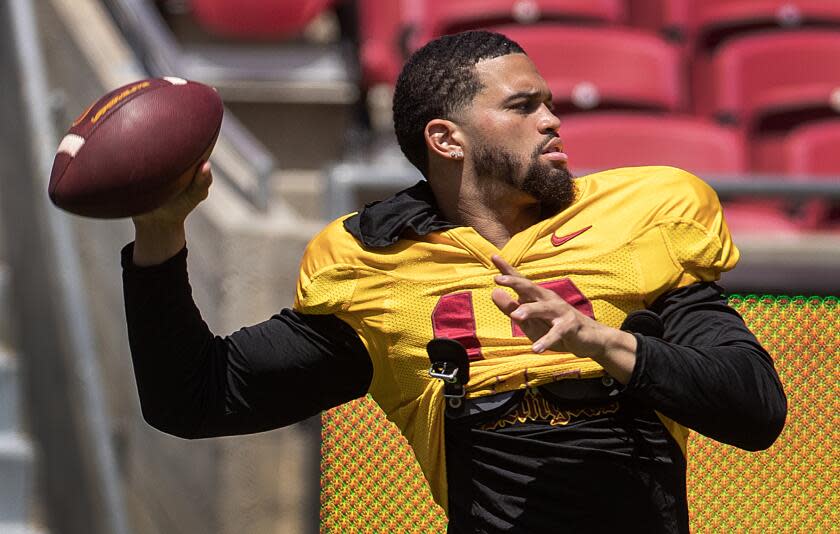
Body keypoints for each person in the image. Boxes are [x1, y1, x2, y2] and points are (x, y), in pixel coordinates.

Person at [122, 30, 787, 533]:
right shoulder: (375, 267)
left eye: (550, 104)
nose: (553, 121)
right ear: (446, 139)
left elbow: (756, 410)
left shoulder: (643, 218)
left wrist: (604, 344)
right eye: (523, 106)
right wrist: (160, 235)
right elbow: (195, 399)